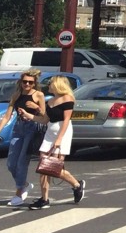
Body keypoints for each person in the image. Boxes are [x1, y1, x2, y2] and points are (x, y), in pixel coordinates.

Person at [0, 69, 46, 206]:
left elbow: (44, 115)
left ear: (34, 83)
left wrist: (35, 107)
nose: (27, 84)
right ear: (20, 82)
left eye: (30, 82)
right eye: (25, 82)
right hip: (18, 128)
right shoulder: (16, 95)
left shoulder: (39, 95)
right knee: (11, 163)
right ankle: (25, 184)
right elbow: (7, 116)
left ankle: (19, 192)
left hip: (31, 128)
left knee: (22, 162)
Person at [30, 75, 85, 209]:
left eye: (50, 83)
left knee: (53, 167)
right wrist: (29, 115)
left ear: (57, 84)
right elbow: (44, 120)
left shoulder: (67, 98)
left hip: (63, 133)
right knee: (43, 166)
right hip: (50, 133)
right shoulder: (50, 102)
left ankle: (77, 185)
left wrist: (59, 139)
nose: (48, 85)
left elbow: (66, 120)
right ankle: (44, 199)